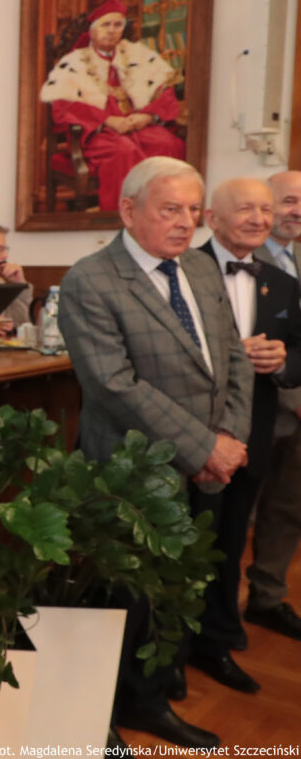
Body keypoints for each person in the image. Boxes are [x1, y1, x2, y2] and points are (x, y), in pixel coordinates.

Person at [58, 156, 252, 750]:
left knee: (178, 590)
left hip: (207, 469)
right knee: (127, 599)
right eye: (171, 209)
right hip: (132, 472)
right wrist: (203, 445)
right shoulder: (90, 279)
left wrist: (229, 442)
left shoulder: (197, 268)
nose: (186, 223)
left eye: (194, 211)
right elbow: (114, 385)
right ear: (128, 210)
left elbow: (233, 359)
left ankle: (148, 699)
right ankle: (98, 713)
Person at [192, 178, 301, 691]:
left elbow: (299, 352)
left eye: (265, 208)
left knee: (233, 538)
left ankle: (217, 635)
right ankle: (171, 644)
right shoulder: (182, 270)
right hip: (189, 433)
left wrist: (283, 362)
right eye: (246, 209)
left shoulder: (282, 283)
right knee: (189, 540)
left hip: (252, 431)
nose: (260, 218)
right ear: (211, 217)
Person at [39, 0, 186, 211]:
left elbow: (164, 92)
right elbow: (64, 106)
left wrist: (147, 116)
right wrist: (107, 120)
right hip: (97, 132)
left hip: (137, 126)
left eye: (117, 25)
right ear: (92, 30)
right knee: (123, 150)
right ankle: (125, 216)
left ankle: (164, 211)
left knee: (168, 144)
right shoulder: (74, 62)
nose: (112, 30)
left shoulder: (138, 55)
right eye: (105, 25)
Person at [246, 170, 301, 641]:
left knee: (289, 508)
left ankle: (266, 598)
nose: (296, 211)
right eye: (287, 200)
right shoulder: (243, 257)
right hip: (260, 408)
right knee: (235, 513)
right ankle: (208, 610)